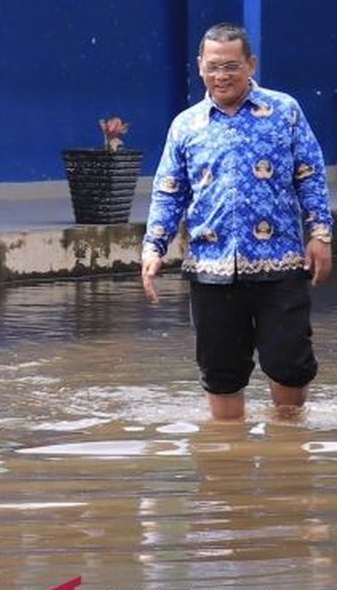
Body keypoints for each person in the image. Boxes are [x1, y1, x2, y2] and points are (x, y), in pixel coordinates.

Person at [142, 22, 332, 421]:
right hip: (211, 267)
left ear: (251, 65)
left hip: (279, 262)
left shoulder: (284, 111)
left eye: (231, 66)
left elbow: (310, 175)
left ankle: (289, 442)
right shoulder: (186, 125)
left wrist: (320, 234)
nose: (221, 76)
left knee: (289, 361)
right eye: (213, 66)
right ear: (200, 66)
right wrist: (153, 248)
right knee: (221, 371)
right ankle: (227, 450)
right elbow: (169, 191)